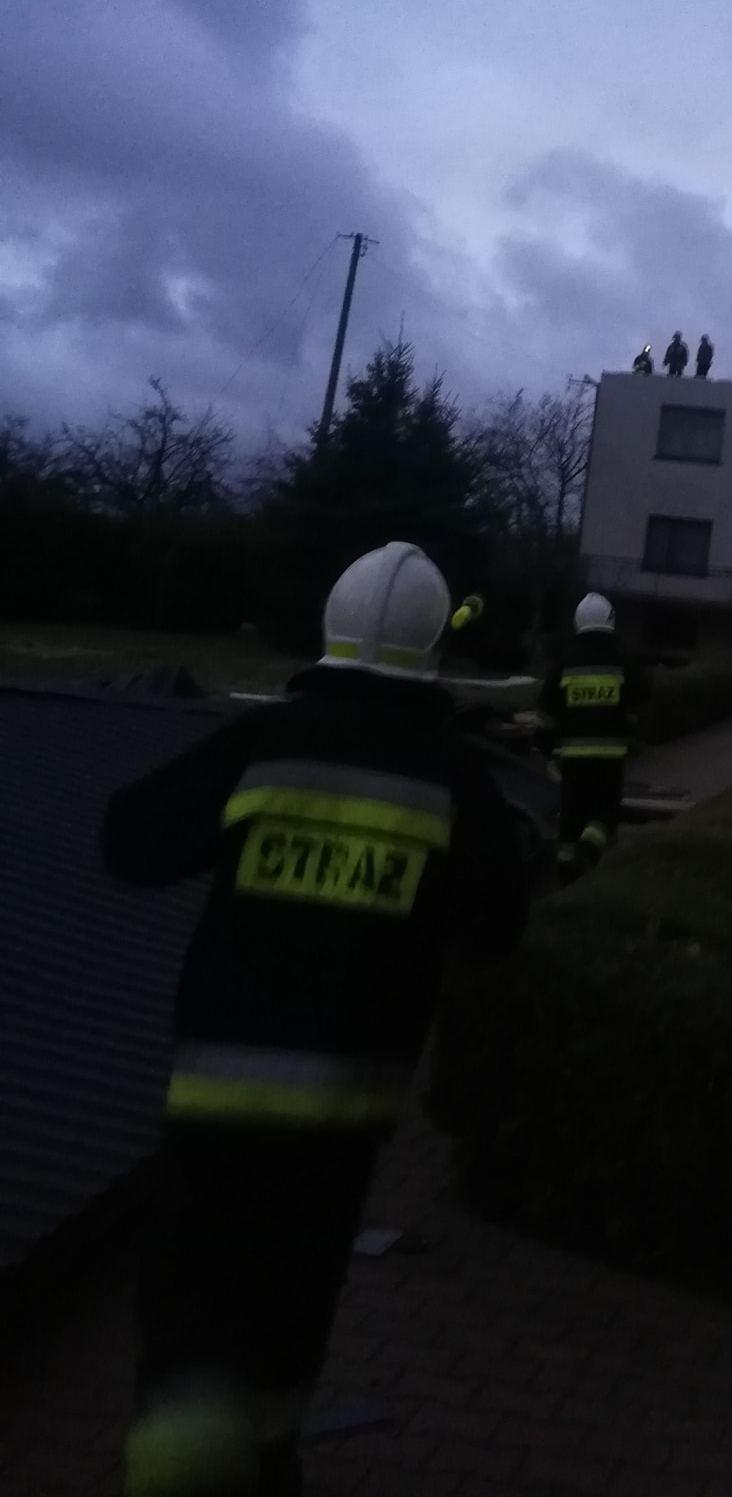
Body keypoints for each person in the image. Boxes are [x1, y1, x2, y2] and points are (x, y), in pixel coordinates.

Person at [101, 543, 530, 1497]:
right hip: (342, 1117)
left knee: (190, 1295)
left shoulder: (266, 741)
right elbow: (497, 925)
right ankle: (265, 1459)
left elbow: (128, 842)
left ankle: (175, 1452)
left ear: (331, 628)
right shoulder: (453, 774)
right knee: (294, 1299)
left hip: (216, 1103)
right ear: (432, 647)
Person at [541, 592, 647, 883]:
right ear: (610, 620)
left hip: (573, 757)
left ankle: (565, 873)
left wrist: (550, 745)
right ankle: (589, 847)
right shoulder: (621, 658)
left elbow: (546, 706)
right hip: (610, 756)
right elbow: (642, 692)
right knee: (605, 809)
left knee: (571, 813)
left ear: (578, 621)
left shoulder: (565, 660)